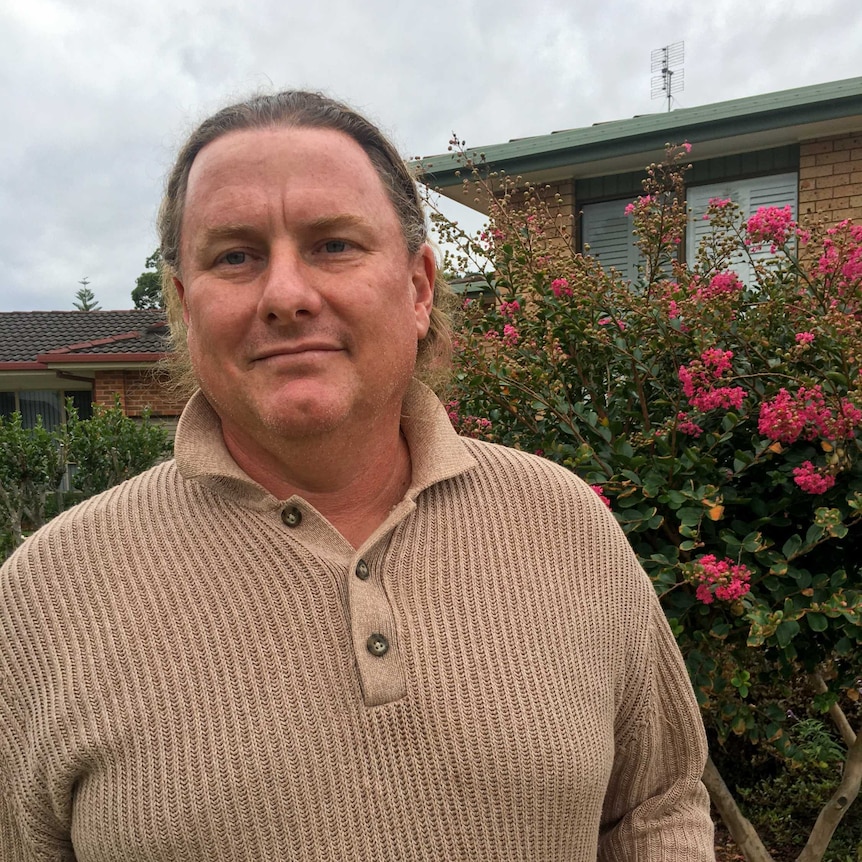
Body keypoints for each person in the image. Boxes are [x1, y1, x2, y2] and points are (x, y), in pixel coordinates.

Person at [0, 91, 715, 860]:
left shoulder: (566, 524)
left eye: (333, 245)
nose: (286, 296)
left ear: (417, 288)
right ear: (182, 304)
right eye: (234, 256)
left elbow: (656, 803)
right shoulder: (43, 599)